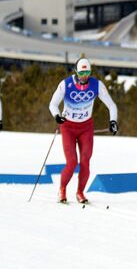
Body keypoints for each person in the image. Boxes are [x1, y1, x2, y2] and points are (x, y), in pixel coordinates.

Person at [48, 58, 118, 204]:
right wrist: (57, 116)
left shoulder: (96, 85)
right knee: (72, 162)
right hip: (68, 127)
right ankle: (62, 189)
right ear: (76, 72)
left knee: (85, 161)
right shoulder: (65, 84)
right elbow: (53, 104)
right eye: (82, 73)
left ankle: (80, 192)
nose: (85, 76)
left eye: (87, 72)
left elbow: (111, 105)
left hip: (86, 127)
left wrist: (113, 121)